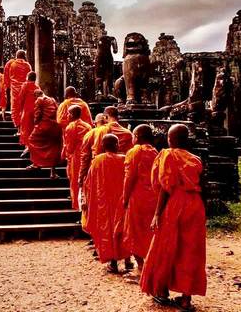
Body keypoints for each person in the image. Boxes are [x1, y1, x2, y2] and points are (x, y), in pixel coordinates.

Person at [140, 124, 207, 311]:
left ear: (170, 140)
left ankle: (161, 291)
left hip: (176, 204)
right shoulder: (196, 159)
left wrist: (156, 214)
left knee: (165, 246)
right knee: (191, 251)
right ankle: (186, 299)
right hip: (195, 206)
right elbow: (204, 187)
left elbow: (164, 187)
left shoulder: (167, 155)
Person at [84, 134, 131, 273]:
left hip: (104, 202)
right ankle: (128, 261)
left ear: (103, 146)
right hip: (122, 201)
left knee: (108, 232)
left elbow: (89, 183)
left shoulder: (97, 160)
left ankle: (114, 263)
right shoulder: (124, 159)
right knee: (123, 230)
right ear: (117, 145)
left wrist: (89, 199)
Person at [122, 125, 159, 273]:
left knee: (135, 232)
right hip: (154, 197)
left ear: (137, 137)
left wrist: (125, 198)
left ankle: (142, 265)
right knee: (149, 232)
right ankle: (149, 262)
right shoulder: (155, 152)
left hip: (138, 197)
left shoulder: (134, 151)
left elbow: (129, 177)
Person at [79, 113, 108, 232]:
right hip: (113, 171)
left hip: (95, 171)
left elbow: (85, 157)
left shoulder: (90, 134)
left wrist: (81, 176)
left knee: (93, 202)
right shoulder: (113, 130)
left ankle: (95, 232)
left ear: (95, 123)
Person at [27, 90, 63, 179]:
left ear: (36, 95)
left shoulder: (39, 99)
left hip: (44, 126)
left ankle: (36, 163)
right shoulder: (52, 100)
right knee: (54, 147)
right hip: (55, 127)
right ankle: (53, 173)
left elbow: (37, 114)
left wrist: (35, 123)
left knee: (31, 140)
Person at [62, 105, 92, 209]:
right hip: (87, 156)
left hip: (76, 157)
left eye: (68, 113)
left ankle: (78, 206)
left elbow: (69, 148)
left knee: (76, 182)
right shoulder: (87, 126)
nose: (67, 115)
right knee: (85, 182)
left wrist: (66, 155)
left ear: (73, 115)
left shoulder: (71, 127)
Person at [3, 50, 32, 131]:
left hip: (15, 90)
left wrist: (8, 87)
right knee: (24, 108)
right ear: (24, 56)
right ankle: (23, 129)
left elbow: (6, 77)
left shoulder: (11, 64)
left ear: (16, 56)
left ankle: (18, 127)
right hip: (25, 90)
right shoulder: (27, 65)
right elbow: (30, 79)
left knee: (15, 108)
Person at [16, 72, 40, 156]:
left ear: (27, 77)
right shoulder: (37, 87)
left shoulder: (25, 85)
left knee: (26, 129)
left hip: (27, 110)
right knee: (32, 129)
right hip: (35, 110)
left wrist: (20, 109)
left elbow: (21, 98)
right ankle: (31, 147)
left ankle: (27, 147)